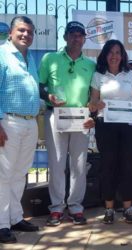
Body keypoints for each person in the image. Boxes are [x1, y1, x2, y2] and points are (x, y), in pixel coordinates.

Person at [39, 21, 96, 226]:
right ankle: (56, 208)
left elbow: (95, 94)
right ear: (65, 37)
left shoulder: (91, 65)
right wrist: (49, 96)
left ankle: (75, 207)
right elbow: (40, 85)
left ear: (84, 39)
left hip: (81, 119)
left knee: (79, 165)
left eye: (80, 35)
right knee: (56, 163)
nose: (76, 38)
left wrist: (94, 115)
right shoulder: (50, 59)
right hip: (56, 115)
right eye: (72, 34)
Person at [88, 39, 132, 224]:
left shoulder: (130, 75)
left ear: (122, 55)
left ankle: (127, 208)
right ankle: (109, 209)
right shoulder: (98, 75)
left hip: (127, 127)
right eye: (110, 52)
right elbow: (92, 104)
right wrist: (97, 104)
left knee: (127, 166)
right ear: (105, 54)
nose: (114, 56)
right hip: (106, 126)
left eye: (117, 52)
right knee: (108, 167)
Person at [0, 16, 40, 244]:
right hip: (9, 122)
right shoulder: (2, 55)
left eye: (30, 32)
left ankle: (15, 217)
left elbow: (30, 92)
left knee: (19, 173)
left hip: (30, 122)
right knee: (4, 175)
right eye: (22, 31)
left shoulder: (29, 58)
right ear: (11, 33)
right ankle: (1, 223)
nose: (26, 35)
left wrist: (47, 100)